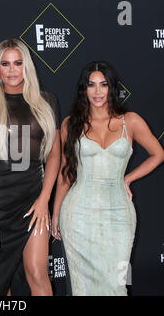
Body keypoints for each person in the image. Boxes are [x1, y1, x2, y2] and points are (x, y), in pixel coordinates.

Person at [51, 61, 164, 295]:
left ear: (111, 87)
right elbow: (65, 172)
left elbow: (158, 153)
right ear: (84, 89)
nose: (98, 91)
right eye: (91, 85)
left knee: (116, 284)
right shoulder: (71, 124)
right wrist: (55, 213)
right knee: (82, 287)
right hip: (78, 214)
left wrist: (128, 179)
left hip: (119, 213)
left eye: (103, 85)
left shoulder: (130, 121)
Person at [0, 38, 60, 296]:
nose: (12, 70)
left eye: (18, 63)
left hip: (33, 202)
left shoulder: (46, 102)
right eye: (5, 64)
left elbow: (54, 155)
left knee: (37, 273)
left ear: (27, 66)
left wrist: (44, 199)